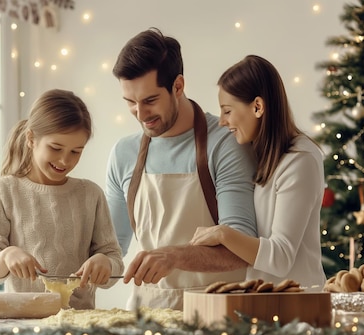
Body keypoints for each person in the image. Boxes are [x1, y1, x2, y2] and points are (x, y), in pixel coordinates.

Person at [106, 27, 258, 309]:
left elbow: (243, 247)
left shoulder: (225, 143)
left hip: (219, 312)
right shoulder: (123, 153)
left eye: (150, 100)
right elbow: (111, 247)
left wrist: (174, 257)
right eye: (130, 102)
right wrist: (98, 262)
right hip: (146, 314)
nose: (140, 115)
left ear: (178, 86)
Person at [0, 89, 124, 310]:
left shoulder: (90, 194)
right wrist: (6, 256)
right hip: (22, 324)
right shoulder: (2, 192)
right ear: (31, 139)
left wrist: (106, 264)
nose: (65, 160)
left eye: (76, 151)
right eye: (56, 148)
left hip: (81, 324)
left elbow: (114, 261)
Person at [190, 55, 326, 289]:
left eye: (227, 111)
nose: (222, 121)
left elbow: (281, 256)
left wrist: (223, 234)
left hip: (300, 306)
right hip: (266, 302)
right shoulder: (258, 155)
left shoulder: (300, 161)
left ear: (257, 107)